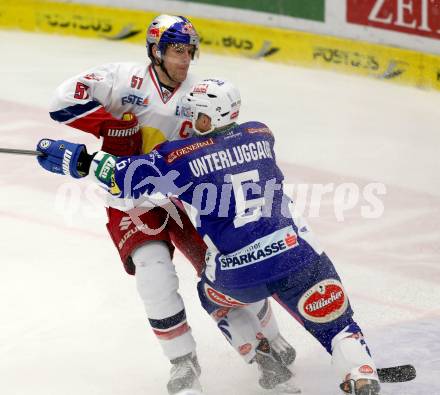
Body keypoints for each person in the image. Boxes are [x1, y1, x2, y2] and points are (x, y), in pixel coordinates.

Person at [36, 77, 383, 395]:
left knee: (210, 295)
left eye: (196, 116)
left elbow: (128, 177)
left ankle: (257, 351)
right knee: (338, 325)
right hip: (298, 257)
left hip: (237, 274)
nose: (190, 124)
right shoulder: (262, 133)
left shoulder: (179, 157)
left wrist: (78, 160)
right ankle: (361, 372)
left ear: (207, 118)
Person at [45, 15, 296, 394]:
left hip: (187, 195)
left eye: (189, 51)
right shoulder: (122, 79)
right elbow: (62, 100)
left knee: (226, 269)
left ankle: (269, 339)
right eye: (177, 50)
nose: (185, 60)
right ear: (156, 51)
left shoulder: (200, 94)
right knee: (152, 272)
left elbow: (223, 145)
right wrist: (105, 125)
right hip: (130, 196)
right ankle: (183, 362)